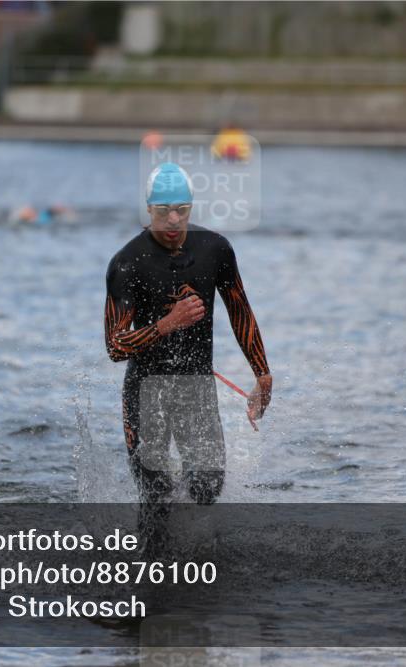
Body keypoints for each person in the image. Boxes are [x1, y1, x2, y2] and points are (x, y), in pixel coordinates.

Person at [104, 162, 272, 527]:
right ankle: (152, 574)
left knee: (207, 488)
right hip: (146, 391)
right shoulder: (127, 263)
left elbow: (240, 310)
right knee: (156, 499)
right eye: (164, 212)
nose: (174, 220)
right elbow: (115, 346)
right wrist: (166, 324)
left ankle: (190, 563)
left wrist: (262, 373)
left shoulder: (215, 249)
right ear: (149, 210)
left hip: (196, 387)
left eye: (182, 210)